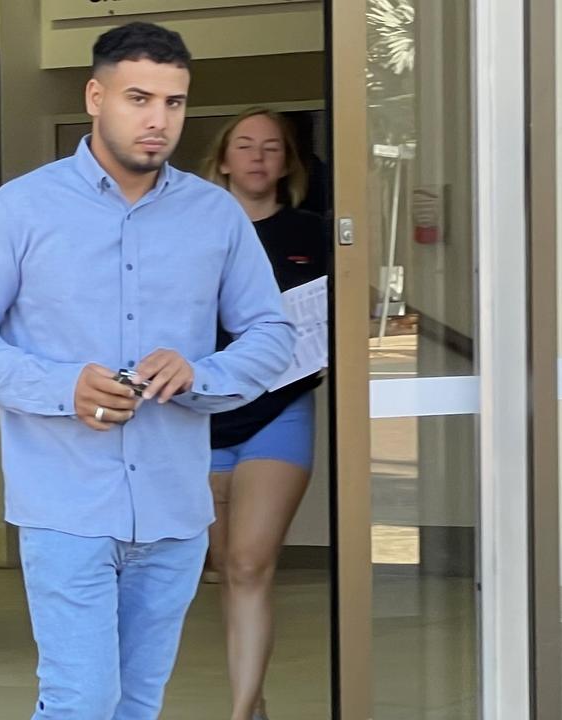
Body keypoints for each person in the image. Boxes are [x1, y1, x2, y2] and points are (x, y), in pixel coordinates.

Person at [0, 22, 295, 720]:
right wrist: (61, 387)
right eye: (139, 98)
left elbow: (272, 333)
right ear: (95, 96)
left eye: (175, 102)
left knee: (136, 705)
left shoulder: (215, 215)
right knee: (81, 701)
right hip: (66, 504)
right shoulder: (20, 208)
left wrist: (200, 374)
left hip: (173, 508)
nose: (158, 120)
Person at [199, 107, 328, 720]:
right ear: (223, 160)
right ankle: (253, 705)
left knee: (251, 562)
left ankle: (240, 710)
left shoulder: (313, 235)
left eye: (271, 147)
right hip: (199, 417)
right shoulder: (193, 232)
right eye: (244, 146)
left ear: (287, 162)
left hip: (278, 413)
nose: (257, 157)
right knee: (227, 567)